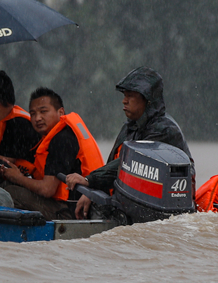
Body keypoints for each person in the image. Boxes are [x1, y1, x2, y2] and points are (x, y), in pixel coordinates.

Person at [65, 67, 192, 219]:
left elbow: (125, 163)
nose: (124, 100)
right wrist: (93, 191)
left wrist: (89, 180)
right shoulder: (129, 127)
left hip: (160, 210)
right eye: (124, 95)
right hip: (127, 201)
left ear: (148, 99)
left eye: (130, 96)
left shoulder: (165, 130)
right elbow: (112, 164)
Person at [0, 87, 105, 220]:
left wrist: (17, 177)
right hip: (73, 205)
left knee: (8, 192)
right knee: (8, 187)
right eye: (33, 113)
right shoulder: (57, 135)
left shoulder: (62, 140)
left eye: (43, 111)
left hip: (71, 211)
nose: (37, 118)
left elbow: (47, 189)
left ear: (61, 112)